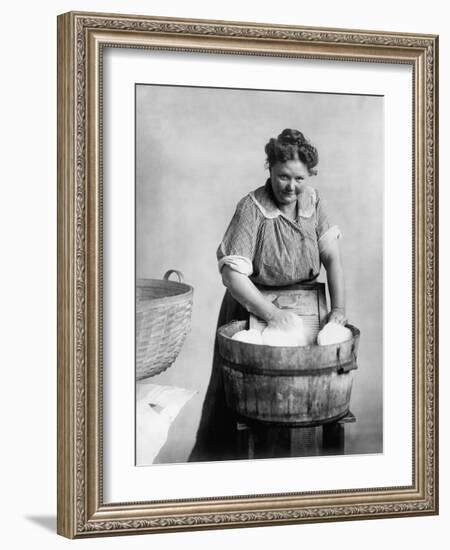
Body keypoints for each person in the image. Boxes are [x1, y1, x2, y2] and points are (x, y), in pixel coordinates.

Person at [189, 128, 346, 462]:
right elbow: (233, 276)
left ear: (310, 175)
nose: (290, 186)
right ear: (269, 169)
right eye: (282, 177)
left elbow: (331, 258)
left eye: (299, 178)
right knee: (243, 405)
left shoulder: (314, 203)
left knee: (303, 394)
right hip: (251, 308)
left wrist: (338, 310)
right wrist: (272, 316)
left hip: (305, 305)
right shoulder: (252, 209)